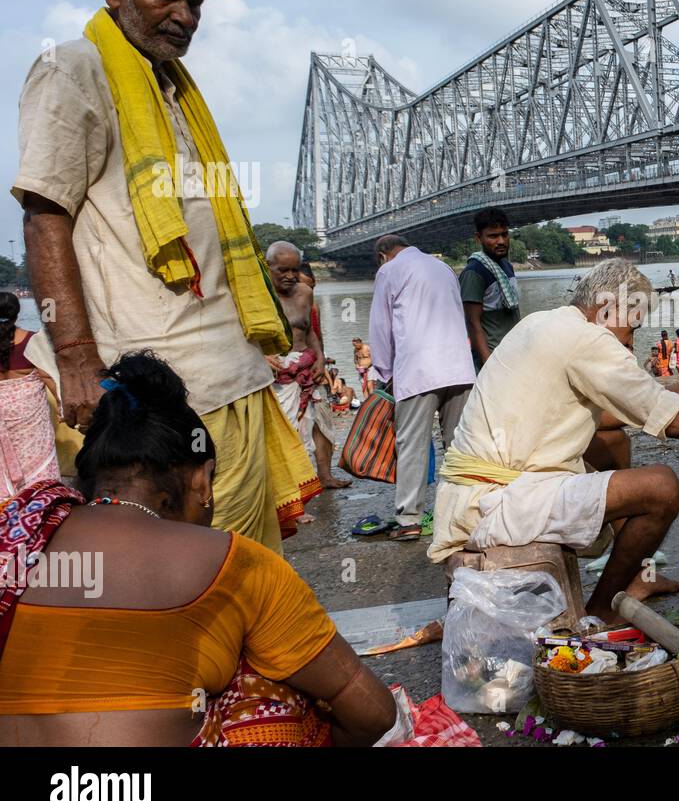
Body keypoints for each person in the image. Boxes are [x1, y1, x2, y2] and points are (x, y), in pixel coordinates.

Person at [12, 0, 316, 554]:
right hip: (151, 396)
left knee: (246, 573)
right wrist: (75, 360)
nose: (186, 16)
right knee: (180, 578)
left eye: (196, 3)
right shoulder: (73, 69)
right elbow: (46, 214)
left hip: (231, 380)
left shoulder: (175, 88)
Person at [0, 351, 395, 746]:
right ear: (202, 481)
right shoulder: (235, 561)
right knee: (266, 686)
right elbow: (372, 712)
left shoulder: (21, 531)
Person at [426, 259, 679, 624]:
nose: (631, 341)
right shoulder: (587, 338)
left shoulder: (542, 322)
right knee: (660, 487)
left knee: (611, 442)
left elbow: (607, 413)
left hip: (473, 492)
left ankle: (637, 577)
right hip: (495, 500)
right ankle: (602, 609)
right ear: (607, 309)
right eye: (633, 325)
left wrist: (670, 390)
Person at [368, 235, 476, 540]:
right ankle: (463, 513)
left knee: (412, 445)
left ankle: (409, 520)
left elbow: (381, 326)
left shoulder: (389, 271)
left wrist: (384, 372)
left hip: (418, 371)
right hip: (459, 367)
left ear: (383, 256)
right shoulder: (442, 268)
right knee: (459, 444)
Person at [266, 243, 350, 490]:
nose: (290, 276)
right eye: (283, 270)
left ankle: (324, 476)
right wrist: (262, 357)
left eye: (294, 269)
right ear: (268, 267)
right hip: (280, 373)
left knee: (321, 425)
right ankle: (292, 491)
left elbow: (309, 330)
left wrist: (321, 357)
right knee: (288, 431)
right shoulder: (260, 298)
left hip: (309, 367)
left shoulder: (304, 292)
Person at [0, 292, 59, 498]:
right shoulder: (32, 341)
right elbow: (48, 377)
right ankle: (39, 505)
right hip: (30, 422)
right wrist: (61, 404)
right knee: (38, 468)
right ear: (17, 314)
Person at [459, 207, 522, 370]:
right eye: (493, 236)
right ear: (479, 238)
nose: (501, 241)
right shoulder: (474, 273)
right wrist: (489, 368)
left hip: (515, 354)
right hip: (494, 360)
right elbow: (473, 324)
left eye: (504, 234)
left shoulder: (506, 267)